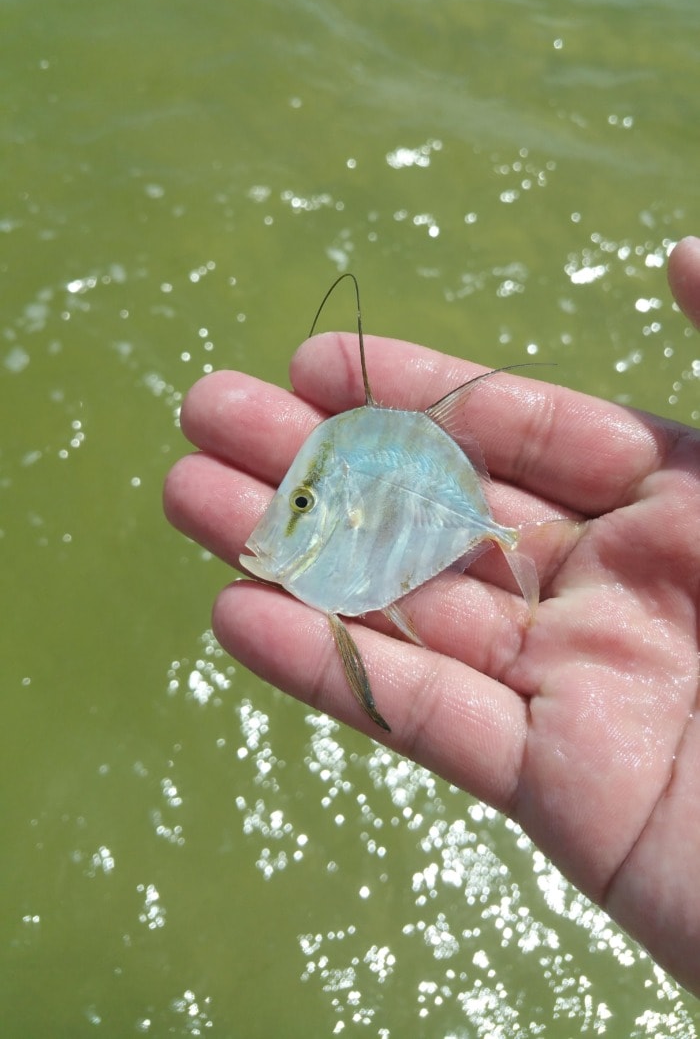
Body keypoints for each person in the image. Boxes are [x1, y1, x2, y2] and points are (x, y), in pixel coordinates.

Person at [164, 235, 700, 996]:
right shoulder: (337, 460)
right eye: (298, 502)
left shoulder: (351, 467)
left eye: (303, 502)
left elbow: (373, 511)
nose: (291, 512)